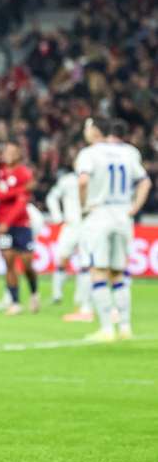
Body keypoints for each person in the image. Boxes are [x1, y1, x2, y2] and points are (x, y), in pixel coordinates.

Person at [76, 117, 151, 342]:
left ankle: (107, 329)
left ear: (97, 131)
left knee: (98, 270)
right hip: (123, 214)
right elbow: (145, 182)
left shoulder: (90, 153)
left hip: (99, 213)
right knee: (119, 272)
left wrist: (83, 207)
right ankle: (126, 326)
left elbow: (82, 182)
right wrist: (135, 207)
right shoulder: (130, 152)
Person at [0, 139, 38, 315]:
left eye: (12, 152)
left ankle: (34, 293)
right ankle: (15, 302)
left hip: (21, 224)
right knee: (9, 262)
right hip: (2, 225)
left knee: (26, 264)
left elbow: (21, 203)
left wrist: (6, 223)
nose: (7, 155)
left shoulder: (24, 173)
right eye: (6, 151)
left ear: (18, 154)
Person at [45, 155, 92, 322]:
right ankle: (57, 295)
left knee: (86, 264)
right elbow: (51, 197)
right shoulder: (67, 180)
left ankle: (81, 299)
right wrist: (57, 217)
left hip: (87, 226)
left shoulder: (93, 179)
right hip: (70, 226)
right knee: (61, 259)